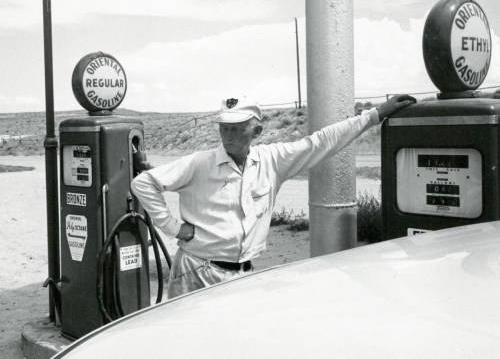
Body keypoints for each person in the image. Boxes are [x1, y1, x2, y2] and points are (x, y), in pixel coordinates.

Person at [131, 94, 415, 298]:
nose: (227, 134)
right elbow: (144, 184)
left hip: (242, 274)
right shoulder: (200, 163)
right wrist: (173, 227)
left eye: (237, 127)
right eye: (224, 127)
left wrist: (373, 116)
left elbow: (319, 143)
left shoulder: (271, 160)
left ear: (256, 130)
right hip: (197, 270)